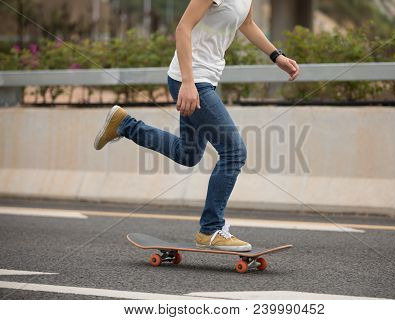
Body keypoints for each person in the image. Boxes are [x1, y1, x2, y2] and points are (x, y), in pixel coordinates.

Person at [94, 0, 299, 252]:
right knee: (234, 152)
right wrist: (188, 83)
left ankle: (125, 125)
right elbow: (183, 28)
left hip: (205, 80)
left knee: (188, 154)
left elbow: (247, 23)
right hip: (192, 80)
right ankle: (210, 228)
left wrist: (276, 56)